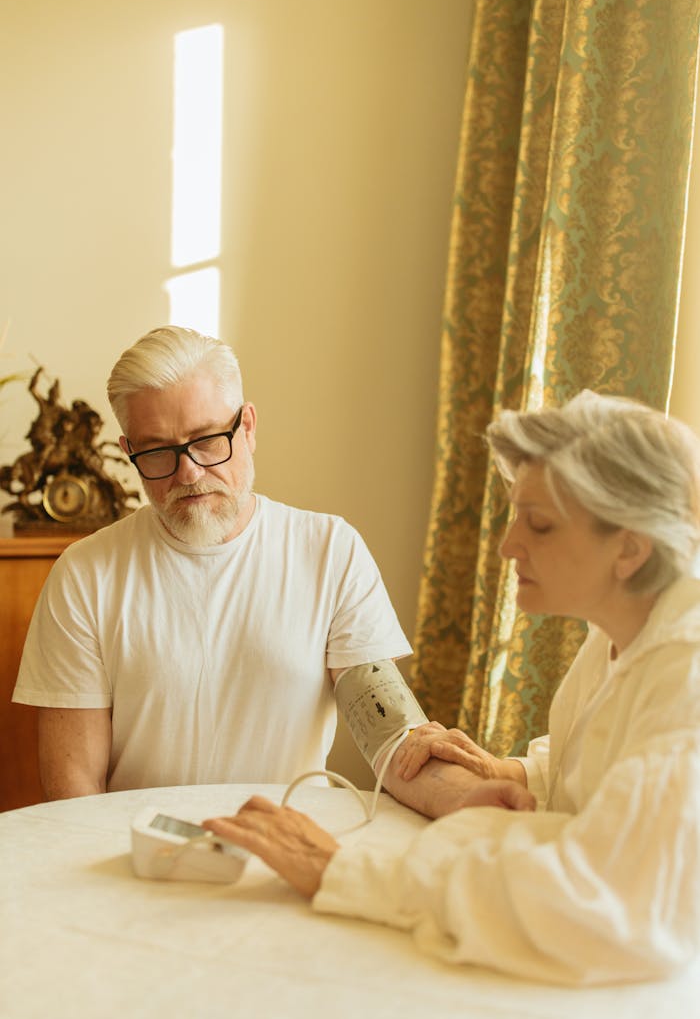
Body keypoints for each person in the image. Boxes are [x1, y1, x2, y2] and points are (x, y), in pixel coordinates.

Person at [203, 390, 700, 985]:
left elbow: (598, 907)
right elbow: (615, 761)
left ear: (630, 548)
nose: (508, 545)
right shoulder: (622, 633)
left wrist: (341, 869)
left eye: (538, 524)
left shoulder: (687, 681)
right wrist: (517, 774)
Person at [13, 325, 533, 818]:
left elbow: (391, 738)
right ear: (129, 451)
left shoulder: (330, 550)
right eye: (157, 452)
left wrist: (473, 799)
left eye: (208, 439)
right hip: (139, 854)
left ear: (249, 426)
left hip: (286, 848)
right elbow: (74, 792)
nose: (189, 472)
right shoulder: (85, 574)